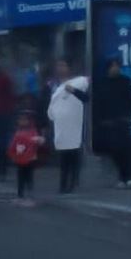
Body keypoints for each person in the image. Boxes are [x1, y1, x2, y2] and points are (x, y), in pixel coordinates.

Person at [47, 58, 90, 194]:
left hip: (74, 124)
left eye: (63, 65)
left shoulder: (78, 82)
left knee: (72, 154)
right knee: (63, 156)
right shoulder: (53, 85)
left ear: (69, 68)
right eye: (58, 65)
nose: (60, 68)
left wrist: (73, 91)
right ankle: (63, 184)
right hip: (59, 125)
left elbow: (86, 98)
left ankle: (71, 183)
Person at [94, 56, 131, 188]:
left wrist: (127, 115)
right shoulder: (102, 83)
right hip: (108, 123)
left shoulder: (125, 81)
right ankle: (122, 177)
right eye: (112, 66)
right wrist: (101, 120)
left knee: (128, 149)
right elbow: (98, 103)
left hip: (123, 121)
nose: (115, 68)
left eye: (117, 66)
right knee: (115, 151)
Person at [8, 113, 45, 206]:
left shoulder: (32, 131)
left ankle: (30, 196)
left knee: (28, 178)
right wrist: (13, 155)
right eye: (20, 120)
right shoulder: (18, 132)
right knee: (21, 178)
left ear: (29, 121)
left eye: (24, 120)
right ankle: (20, 196)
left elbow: (37, 143)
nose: (22, 122)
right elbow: (13, 145)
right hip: (20, 159)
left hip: (30, 159)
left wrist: (37, 141)